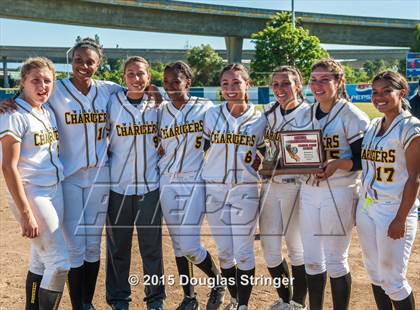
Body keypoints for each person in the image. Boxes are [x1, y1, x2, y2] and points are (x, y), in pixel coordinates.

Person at [0, 57, 70, 309]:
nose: (42, 85)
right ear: (23, 82)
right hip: (32, 193)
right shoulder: (12, 115)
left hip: (54, 189)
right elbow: (8, 167)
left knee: (40, 261)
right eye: (35, 80)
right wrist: (25, 213)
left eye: (47, 80)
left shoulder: (47, 110)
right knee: (60, 263)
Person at [300, 59, 370, 310]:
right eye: (314, 79)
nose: (317, 85)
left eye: (324, 79)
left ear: (339, 82)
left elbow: (363, 160)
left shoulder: (352, 114)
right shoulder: (306, 112)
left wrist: (337, 164)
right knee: (311, 261)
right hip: (309, 191)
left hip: (339, 191)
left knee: (335, 260)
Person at [159, 61, 224, 310]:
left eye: (176, 81)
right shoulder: (160, 111)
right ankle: (190, 297)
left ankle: (218, 283)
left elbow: (218, 137)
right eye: (166, 82)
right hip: (166, 181)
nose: (170, 87)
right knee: (177, 244)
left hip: (194, 180)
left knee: (188, 244)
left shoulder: (205, 108)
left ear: (188, 82)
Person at [202, 64, 267, 310]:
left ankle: (243, 305)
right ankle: (233, 298)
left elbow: (266, 154)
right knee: (225, 252)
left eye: (237, 82)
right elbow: (201, 148)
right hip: (215, 189)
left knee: (244, 252)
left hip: (245, 189)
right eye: (225, 83)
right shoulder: (211, 115)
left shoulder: (260, 118)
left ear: (247, 85)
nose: (231, 88)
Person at [106, 56, 165, 310]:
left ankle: (155, 299)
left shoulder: (157, 106)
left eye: (141, 74)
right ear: (123, 78)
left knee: (151, 249)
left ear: (149, 77)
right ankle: (119, 299)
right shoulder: (112, 102)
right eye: (131, 74)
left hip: (150, 187)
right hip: (118, 186)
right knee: (118, 248)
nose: (136, 78)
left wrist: (159, 92)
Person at [357, 71, 418, 310]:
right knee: (374, 273)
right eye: (375, 92)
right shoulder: (374, 125)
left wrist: (400, 219)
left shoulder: (411, 127)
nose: (379, 97)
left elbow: (415, 178)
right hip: (368, 206)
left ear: (401, 93)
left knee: (393, 279)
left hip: (393, 209)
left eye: (386, 91)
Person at [259, 66, 310, 310]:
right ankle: (285, 298)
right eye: (276, 84)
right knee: (269, 250)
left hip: (296, 187)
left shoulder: (308, 113)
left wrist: (275, 167)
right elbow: (258, 142)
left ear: (298, 86)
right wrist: (266, 161)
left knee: (296, 249)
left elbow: (308, 158)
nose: (280, 89)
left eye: (286, 83)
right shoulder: (268, 113)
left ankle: (298, 303)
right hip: (270, 187)